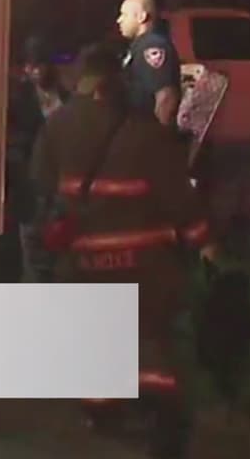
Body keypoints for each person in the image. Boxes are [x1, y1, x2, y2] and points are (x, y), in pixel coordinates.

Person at [31, 42, 215, 459]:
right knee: (153, 343)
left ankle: (102, 411)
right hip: (146, 267)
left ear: (82, 80)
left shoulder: (57, 126)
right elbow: (178, 198)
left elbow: (40, 185)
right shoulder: (146, 131)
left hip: (83, 265)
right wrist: (203, 242)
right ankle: (163, 420)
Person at [7, 35, 69, 282]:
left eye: (40, 65)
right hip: (31, 185)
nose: (35, 71)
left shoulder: (65, 96)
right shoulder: (18, 99)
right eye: (31, 66)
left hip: (60, 184)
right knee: (33, 256)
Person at [116, 0, 182, 127]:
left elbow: (166, 96)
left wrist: (158, 133)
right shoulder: (139, 45)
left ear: (142, 17)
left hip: (145, 129)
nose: (119, 20)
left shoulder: (151, 45)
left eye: (124, 15)